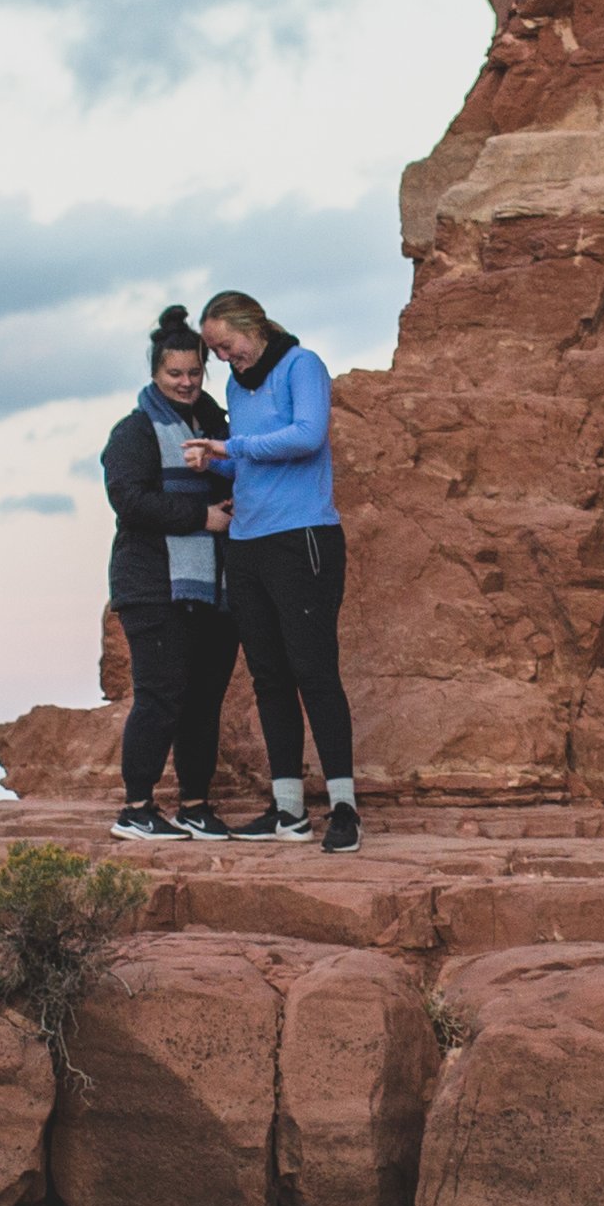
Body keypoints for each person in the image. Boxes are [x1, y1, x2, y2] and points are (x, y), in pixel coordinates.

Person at [184, 287, 359, 853]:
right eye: (214, 352)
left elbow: (308, 436)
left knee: (315, 671)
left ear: (251, 327)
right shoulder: (238, 384)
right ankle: (288, 810)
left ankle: (344, 808)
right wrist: (221, 457)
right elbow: (250, 453)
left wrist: (235, 445)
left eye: (225, 345)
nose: (223, 359)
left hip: (302, 535)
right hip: (249, 541)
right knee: (269, 678)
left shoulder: (301, 366)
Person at [98, 304, 241, 840]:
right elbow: (129, 502)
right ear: (155, 373)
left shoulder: (218, 425)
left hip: (214, 589)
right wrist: (201, 517)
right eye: (173, 374)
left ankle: (195, 806)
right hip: (153, 586)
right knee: (161, 698)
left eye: (194, 373)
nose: (185, 383)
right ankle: (136, 809)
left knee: (204, 700)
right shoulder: (133, 432)